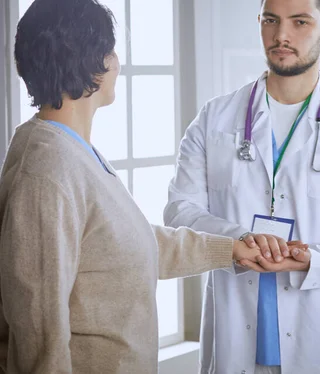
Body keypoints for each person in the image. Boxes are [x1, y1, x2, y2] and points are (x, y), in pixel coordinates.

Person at [0, 1, 277, 372]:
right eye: (110, 50)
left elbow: (125, 245)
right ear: (89, 60)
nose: (116, 62)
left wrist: (231, 250)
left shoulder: (72, 151)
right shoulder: (48, 171)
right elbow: (38, 334)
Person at [163, 0, 320, 372]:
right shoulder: (214, 120)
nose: (282, 35)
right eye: (271, 20)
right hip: (238, 339)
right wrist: (239, 241)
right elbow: (180, 211)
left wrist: (317, 259)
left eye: (300, 22)